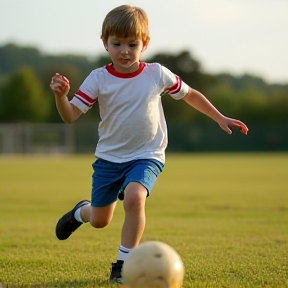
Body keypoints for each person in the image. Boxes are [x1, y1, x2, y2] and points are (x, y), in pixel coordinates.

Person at [50, 4, 248, 284]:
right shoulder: (98, 78)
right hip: (108, 158)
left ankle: (123, 264)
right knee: (100, 220)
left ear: (145, 43)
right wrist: (61, 97)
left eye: (132, 44)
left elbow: (190, 95)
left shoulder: (156, 73)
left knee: (134, 198)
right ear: (105, 43)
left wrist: (219, 117)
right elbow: (70, 116)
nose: (124, 51)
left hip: (147, 155)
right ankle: (81, 212)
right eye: (116, 43)